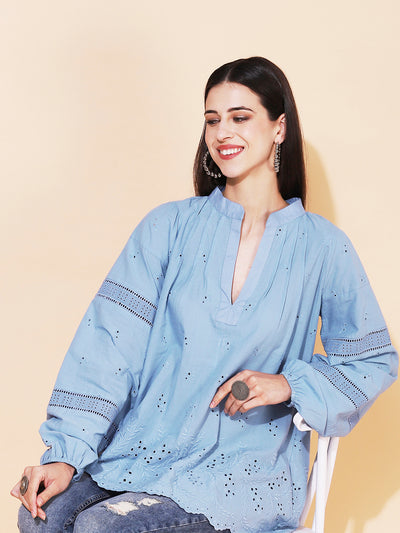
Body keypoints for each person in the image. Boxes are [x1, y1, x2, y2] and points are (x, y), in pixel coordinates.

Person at [12, 57, 398, 533]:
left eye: (240, 117)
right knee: (41, 515)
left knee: (103, 528)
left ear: (279, 128)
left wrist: (290, 384)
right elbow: (108, 346)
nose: (222, 133)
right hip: (141, 452)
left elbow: (372, 361)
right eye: (213, 120)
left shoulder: (322, 247)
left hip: (245, 472)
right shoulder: (168, 226)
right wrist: (66, 454)